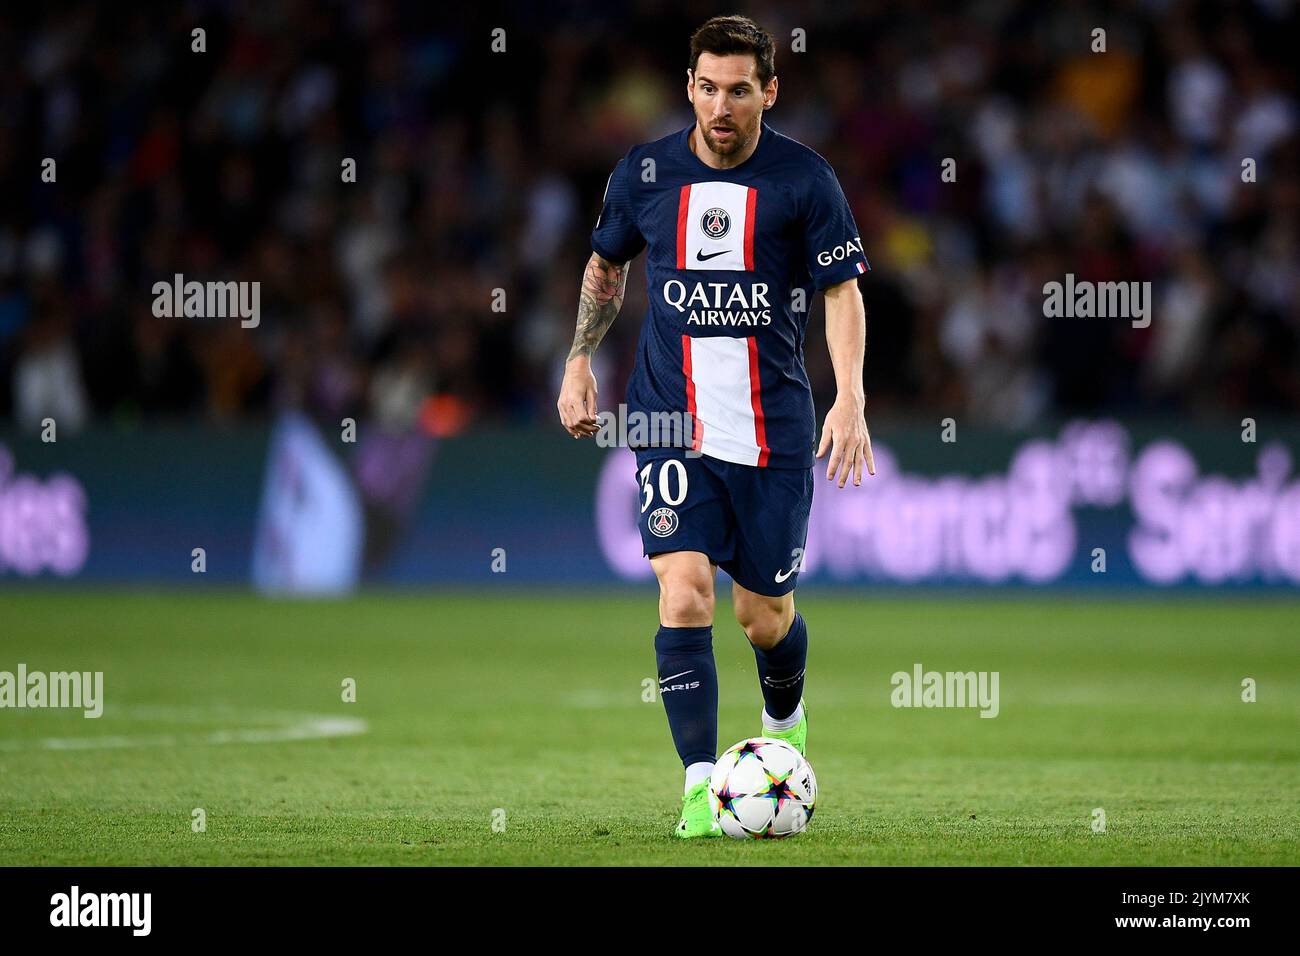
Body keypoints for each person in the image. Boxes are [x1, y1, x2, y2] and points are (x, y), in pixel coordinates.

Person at [556, 15, 874, 838]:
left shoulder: (805, 181)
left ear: (770, 90)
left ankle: (785, 723)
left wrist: (851, 398)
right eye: (707, 88)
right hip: (669, 419)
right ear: (688, 87)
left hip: (771, 429)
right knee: (685, 590)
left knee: (762, 616)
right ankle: (702, 785)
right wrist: (578, 360)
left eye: (739, 89)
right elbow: (606, 263)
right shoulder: (646, 171)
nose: (721, 105)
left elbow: (841, 292)